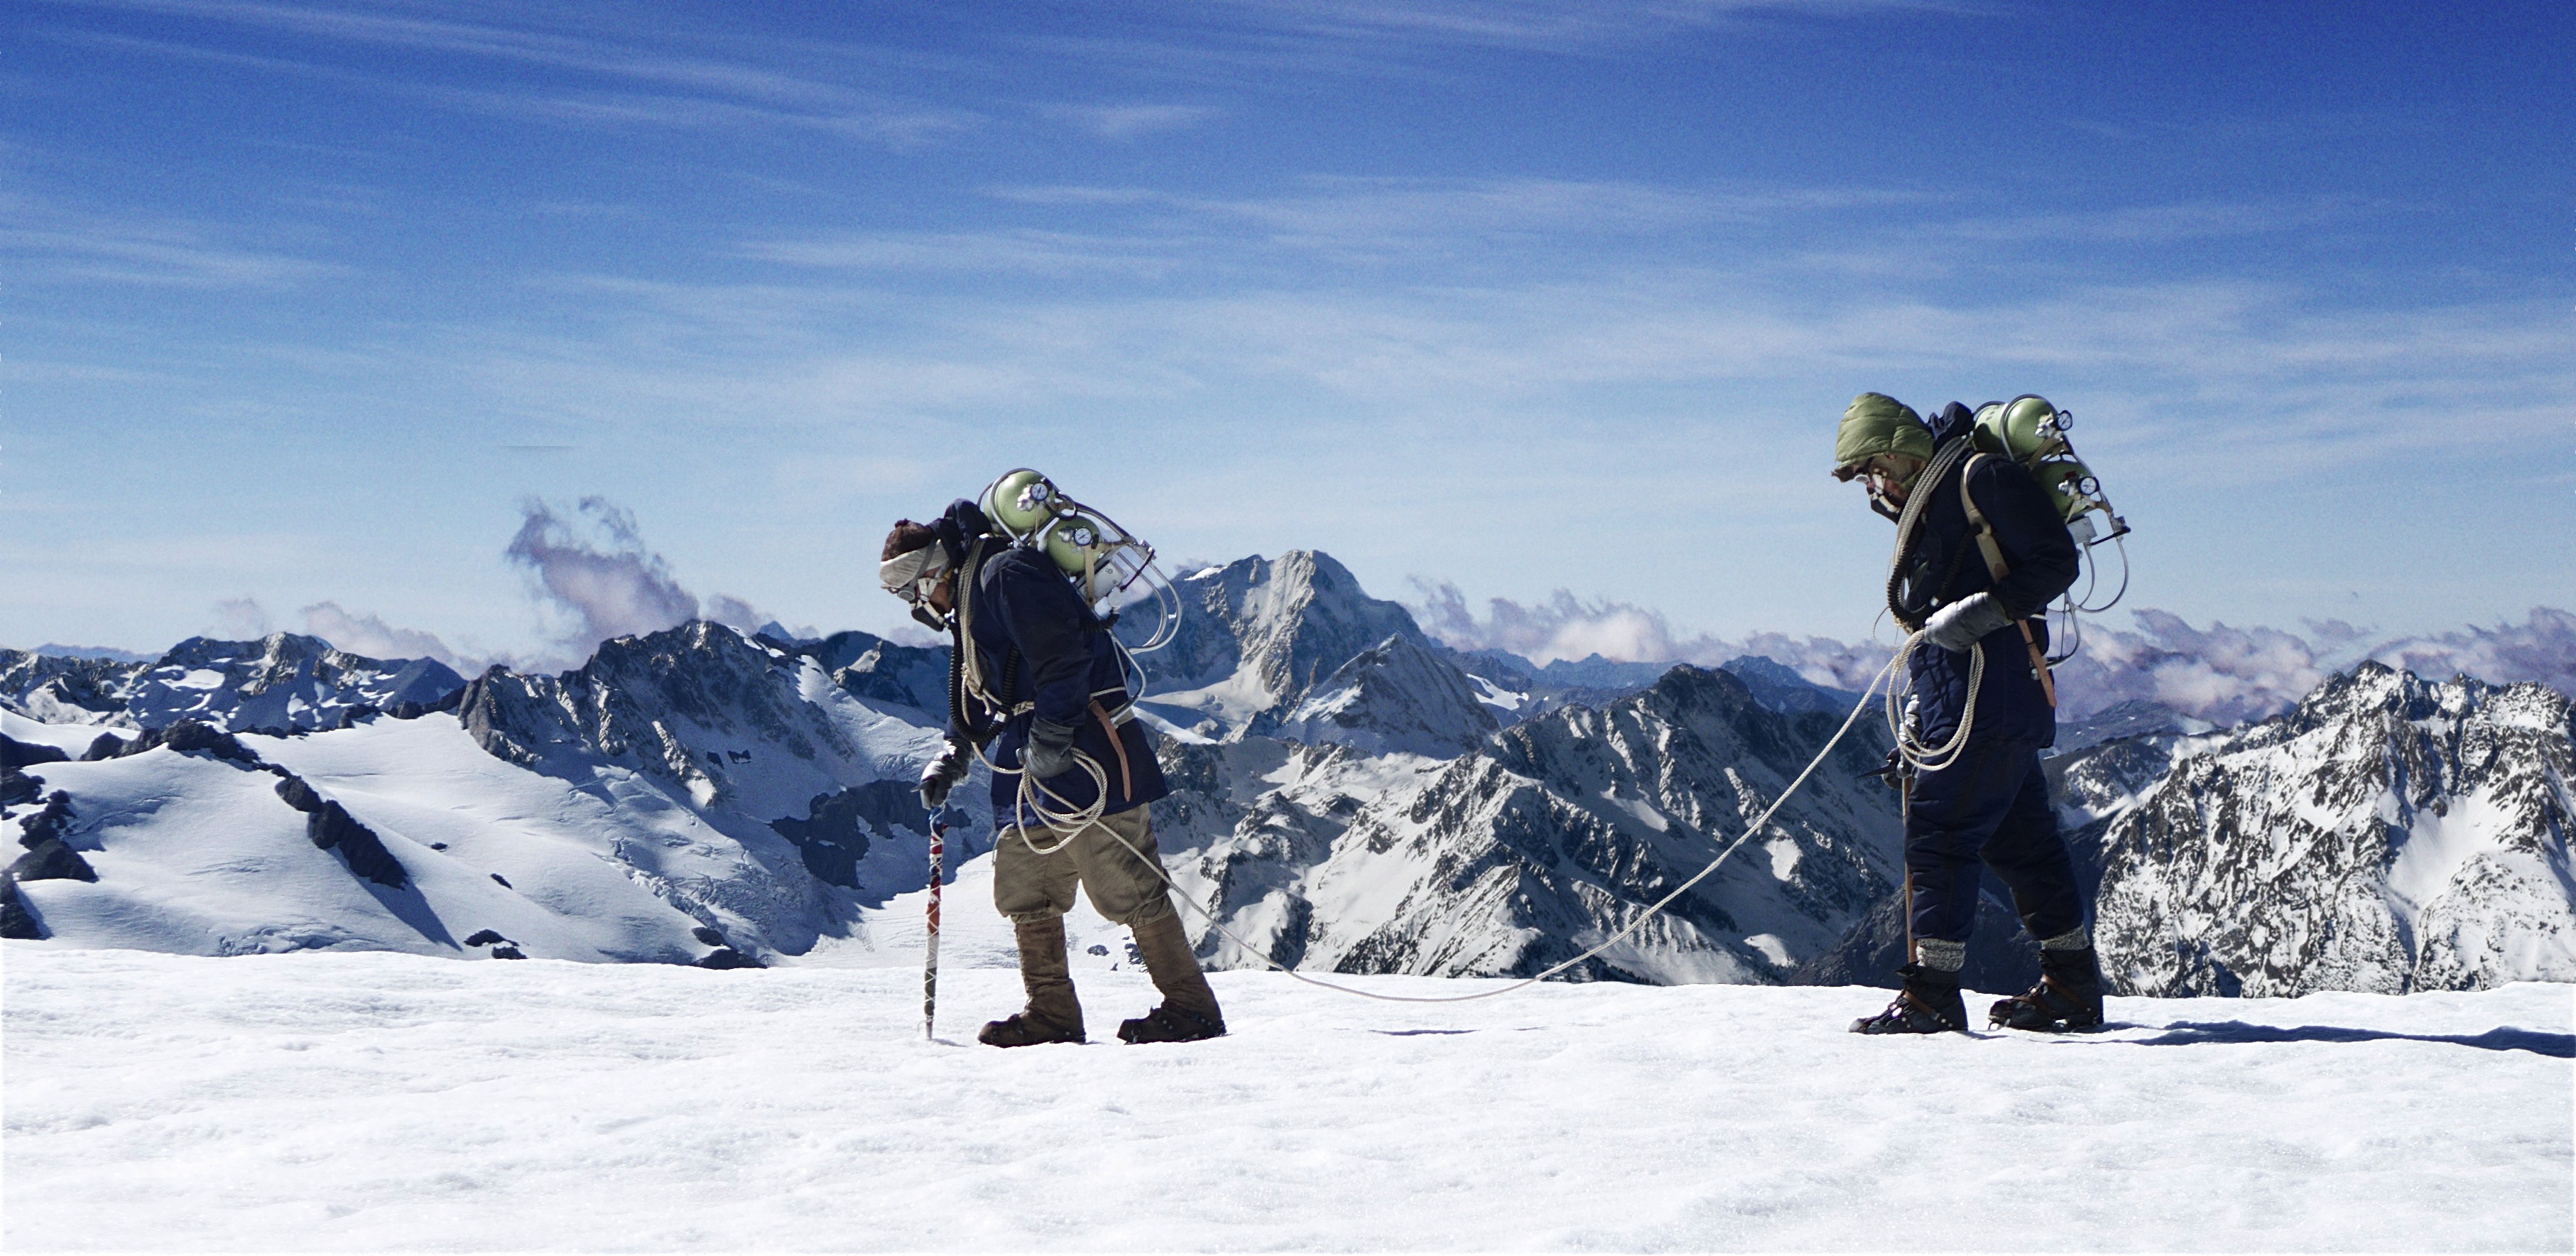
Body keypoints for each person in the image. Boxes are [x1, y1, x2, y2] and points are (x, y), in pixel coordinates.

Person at [879, 499, 1226, 1046]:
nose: (913, 606)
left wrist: (1052, 739)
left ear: (929, 575)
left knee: (1126, 882)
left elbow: (1064, 659)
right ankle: (1052, 1012)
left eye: (907, 593)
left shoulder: (1004, 575)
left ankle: (1191, 1008)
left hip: (1086, 750)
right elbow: (977, 684)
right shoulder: (978, 589)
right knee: (1025, 883)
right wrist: (955, 753)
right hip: (1036, 758)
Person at [1831, 392, 2106, 1034]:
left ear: (1900, 449)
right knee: (2021, 842)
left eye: (1875, 468)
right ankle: (2071, 985)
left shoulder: (1978, 478)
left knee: (1938, 834)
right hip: (1984, 694)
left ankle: (1931, 994)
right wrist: (1925, 709)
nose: (1876, 485)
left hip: (1988, 693)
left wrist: (1982, 613)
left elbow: (2053, 562)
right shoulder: (1946, 491)